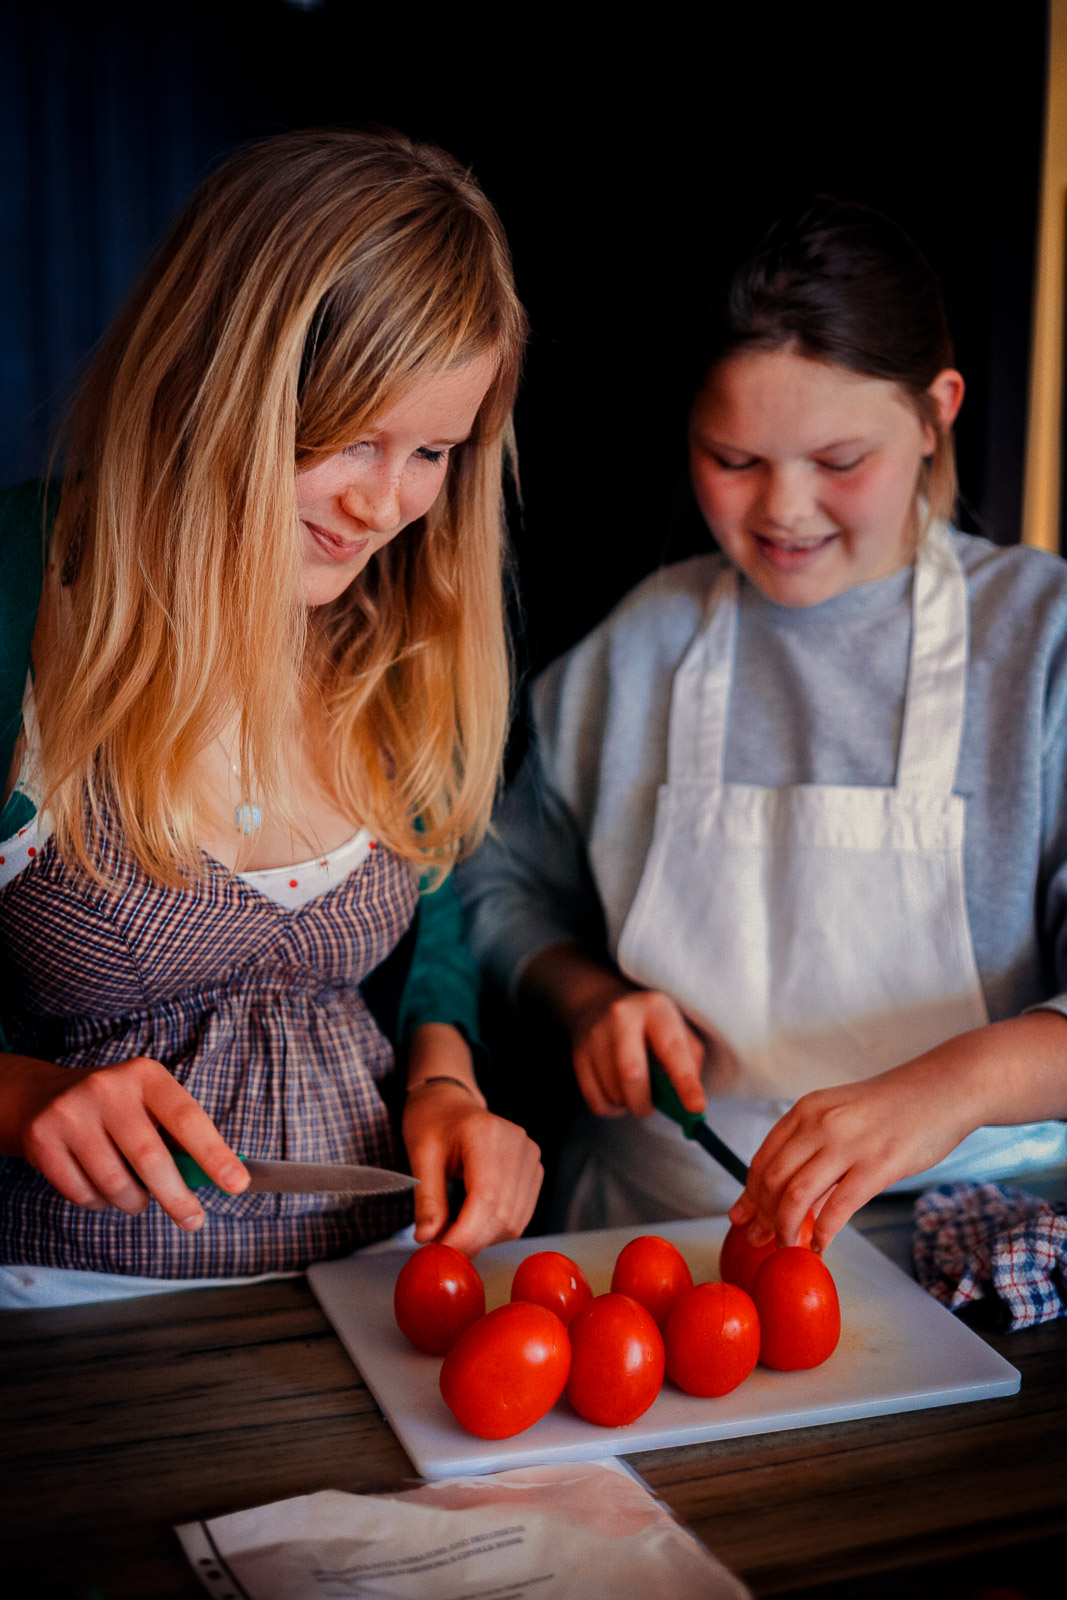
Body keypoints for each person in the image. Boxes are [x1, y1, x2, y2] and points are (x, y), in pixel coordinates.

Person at [458, 196, 1067, 1253]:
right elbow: (490, 881)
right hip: (657, 1237)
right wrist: (585, 995)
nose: (782, 509)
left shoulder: (1041, 645)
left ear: (935, 413)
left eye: (838, 462)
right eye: (731, 461)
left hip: (974, 1233)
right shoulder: (637, 649)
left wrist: (954, 1086)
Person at [0, 127, 542, 1306]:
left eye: (431, 450)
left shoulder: (397, 632)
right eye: (348, 434)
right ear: (216, 372)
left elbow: (432, 946)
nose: (382, 502)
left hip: (374, 1302)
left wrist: (446, 1087)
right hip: (55, 1321)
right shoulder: (21, 596)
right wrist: (22, 1097)